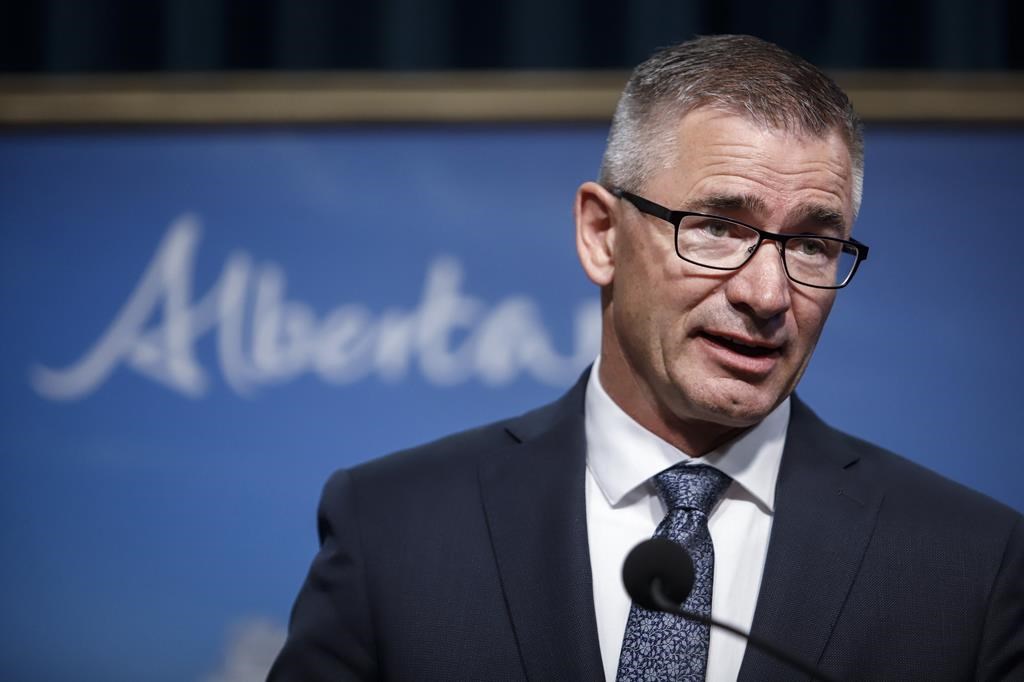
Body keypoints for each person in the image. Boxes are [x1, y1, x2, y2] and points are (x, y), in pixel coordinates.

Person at [269, 35, 1023, 681]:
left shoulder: (968, 567)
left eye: (812, 246)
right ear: (602, 234)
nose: (766, 293)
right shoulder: (394, 528)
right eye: (718, 227)